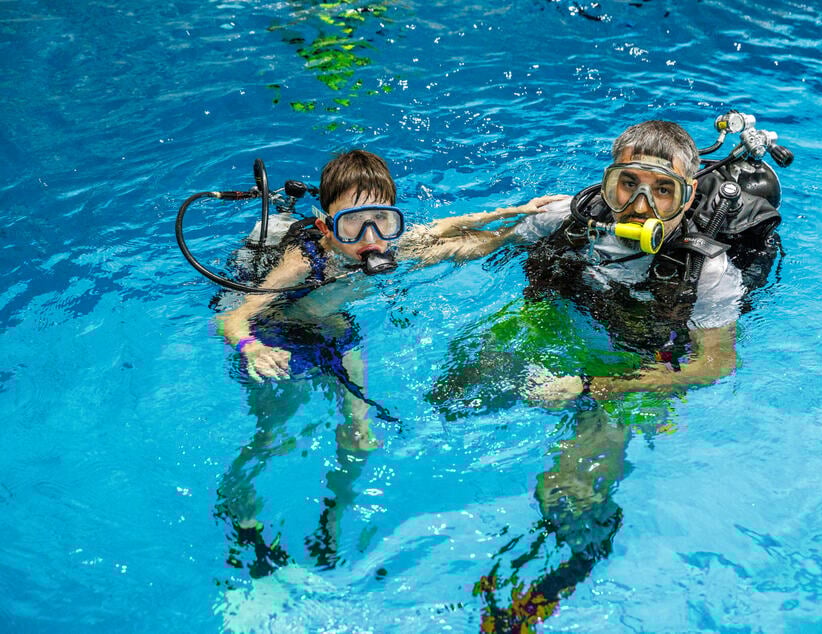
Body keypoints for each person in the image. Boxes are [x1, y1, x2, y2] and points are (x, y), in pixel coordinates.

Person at [426, 119, 784, 630]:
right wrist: (399, 249)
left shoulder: (708, 271)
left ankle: (556, 578)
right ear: (607, 183)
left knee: (576, 480)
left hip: (642, 359)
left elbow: (715, 363)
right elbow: (482, 244)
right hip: (566, 320)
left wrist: (595, 387)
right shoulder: (568, 218)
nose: (641, 205)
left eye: (663, 190)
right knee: (453, 396)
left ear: (685, 200)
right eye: (628, 184)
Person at [214, 148, 565, 577]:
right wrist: (252, 347)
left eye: (381, 221)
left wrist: (518, 216)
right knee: (274, 433)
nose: (370, 237)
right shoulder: (305, 259)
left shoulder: (386, 245)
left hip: (336, 330)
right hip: (279, 335)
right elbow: (232, 317)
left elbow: (448, 229)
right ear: (326, 226)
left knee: (358, 436)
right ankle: (238, 502)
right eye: (352, 224)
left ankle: (332, 520)